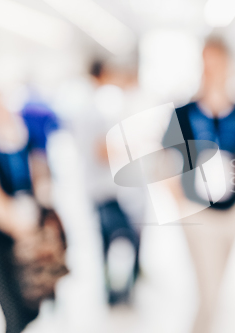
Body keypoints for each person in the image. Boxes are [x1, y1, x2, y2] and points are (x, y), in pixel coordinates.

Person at [162, 37, 235, 333]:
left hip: (231, 211)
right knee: (209, 293)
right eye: (206, 63)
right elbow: (164, 158)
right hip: (197, 213)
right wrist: (179, 202)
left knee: (217, 289)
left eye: (217, 63)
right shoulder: (184, 113)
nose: (210, 70)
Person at [0, 91, 58, 333]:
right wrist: (23, 230)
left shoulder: (22, 144)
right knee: (15, 317)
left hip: (28, 239)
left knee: (33, 311)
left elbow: (42, 183)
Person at [70, 58, 141, 305]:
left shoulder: (84, 108)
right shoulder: (99, 109)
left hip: (94, 186)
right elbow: (102, 151)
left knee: (105, 243)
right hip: (106, 189)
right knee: (126, 237)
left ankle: (111, 289)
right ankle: (118, 290)